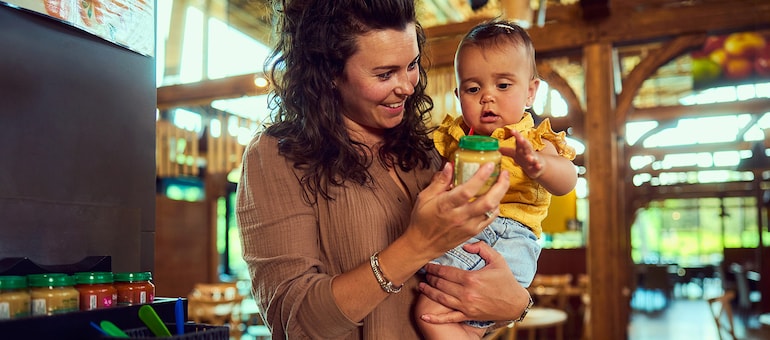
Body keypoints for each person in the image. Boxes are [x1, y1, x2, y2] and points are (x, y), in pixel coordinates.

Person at [235, 1, 533, 339]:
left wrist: (514, 304)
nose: (407, 86)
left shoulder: (428, 151)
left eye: (412, 65)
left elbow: (464, 296)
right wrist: (416, 246)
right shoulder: (278, 155)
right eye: (384, 74)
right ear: (330, 73)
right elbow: (296, 321)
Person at [416, 20, 578, 339]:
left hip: (509, 241)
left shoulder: (534, 140)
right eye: (473, 89)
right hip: (466, 233)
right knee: (446, 317)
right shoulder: (453, 137)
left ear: (530, 92)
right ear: (458, 94)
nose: (487, 97)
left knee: (429, 312)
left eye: (503, 86)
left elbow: (568, 179)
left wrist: (538, 165)